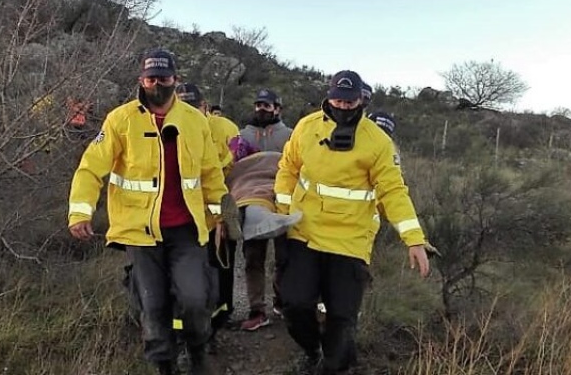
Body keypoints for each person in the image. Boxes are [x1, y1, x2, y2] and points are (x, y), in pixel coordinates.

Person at [67, 49, 240, 375]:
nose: (157, 84)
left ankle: (198, 352)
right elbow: (90, 167)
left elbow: (210, 174)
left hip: (187, 230)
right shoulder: (120, 119)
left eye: (163, 78)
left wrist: (221, 214)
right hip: (140, 232)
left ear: (175, 79)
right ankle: (165, 366)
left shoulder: (194, 120)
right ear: (141, 80)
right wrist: (80, 212)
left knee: (193, 298)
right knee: (153, 305)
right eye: (151, 79)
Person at [274, 70, 431, 374]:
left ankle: (333, 363)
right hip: (305, 231)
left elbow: (393, 191)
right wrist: (282, 212)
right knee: (294, 304)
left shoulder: (377, 141)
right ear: (328, 96)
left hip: (350, 240)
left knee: (342, 317)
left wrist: (413, 238)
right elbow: (287, 169)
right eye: (338, 99)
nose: (343, 105)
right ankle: (312, 348)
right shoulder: (307, 127)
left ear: (361, 100)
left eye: (350, 101)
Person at [174, 82, 240, 354]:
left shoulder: (226, 129)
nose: (189, 111)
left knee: (220, 274)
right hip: (182, 220)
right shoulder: (168, 127)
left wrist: (224, 218)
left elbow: (235, 167)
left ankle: (216, 325)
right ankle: (182, 335)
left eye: (194, 105)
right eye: (183, 105)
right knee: (183, 281)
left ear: (205, 106)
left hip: (217, 214)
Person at [238, 88, 293, 331]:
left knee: (285, 258)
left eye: (267, 105)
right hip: (251, 201)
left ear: (277, 109)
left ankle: (281, 302)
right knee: (253, 258)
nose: (261, 108)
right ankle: (257, 310)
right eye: (258, 104)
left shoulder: (291, 135)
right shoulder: (242, 135)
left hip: (281, 200)